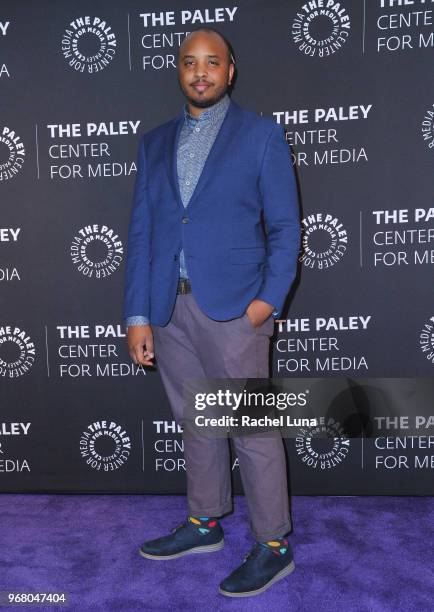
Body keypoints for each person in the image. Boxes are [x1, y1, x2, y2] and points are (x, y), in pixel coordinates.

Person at [123, 27, 301, 598]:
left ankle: (272, 545)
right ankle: (204, 524)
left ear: (231, 70)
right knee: (197, 424)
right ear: (179, 70)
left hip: (234, 310)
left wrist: (264, 305)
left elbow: (284, 229)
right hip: (167, 309)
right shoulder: (153, 144)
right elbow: (143, 233)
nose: (200, 72)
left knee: (252, 430)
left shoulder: (262, 136)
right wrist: (138, 317)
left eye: (212, 62)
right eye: (189, 63)